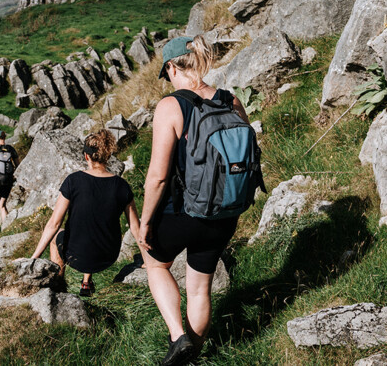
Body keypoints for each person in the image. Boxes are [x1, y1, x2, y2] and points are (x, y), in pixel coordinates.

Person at [137, 35, 251, 366]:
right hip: (225, 211)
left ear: (172, 68)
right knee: (199, 289)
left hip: (184, 211)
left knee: (154, 262)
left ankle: (178, 337)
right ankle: (193, 357)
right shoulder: (231, 100)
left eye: (167, 73)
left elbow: (158, 177)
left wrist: (145, 222)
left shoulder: (171, 106)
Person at [31, 129, 140, 296]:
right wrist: (148, 260)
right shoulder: (122, 186)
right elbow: (135, 228)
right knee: (93, 226)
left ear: (86, 156)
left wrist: (33, 258)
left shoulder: (73, 181)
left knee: (56, 237)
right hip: (108, 255)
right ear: (108, 156)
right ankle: (86, 283)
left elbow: (54, 223)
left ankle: (59, 287)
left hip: (76, 256)